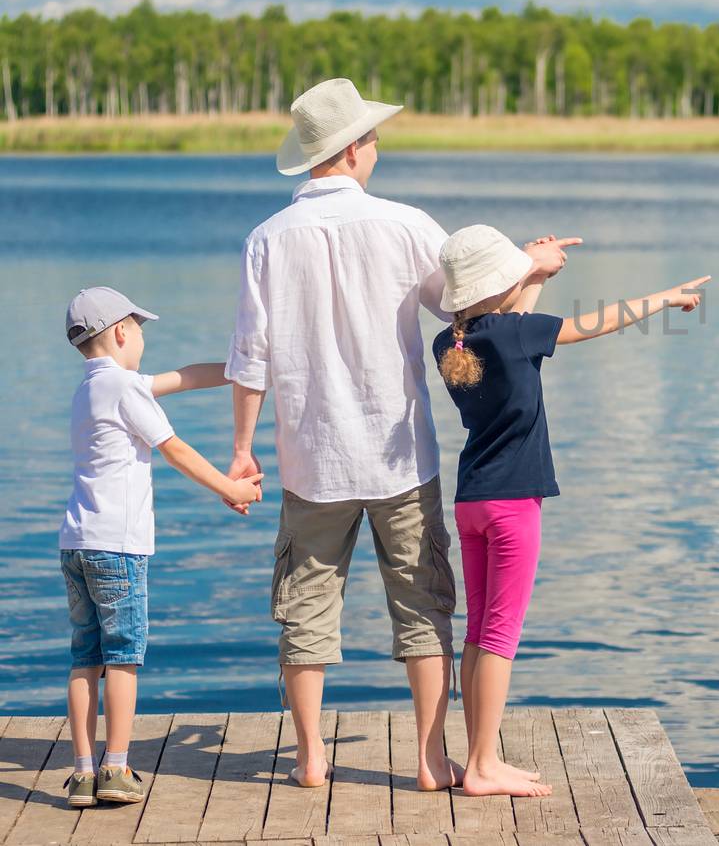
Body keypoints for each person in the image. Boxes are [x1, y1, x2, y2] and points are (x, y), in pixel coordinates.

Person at [223, 78, 570, 790]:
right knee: (423, 608)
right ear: (351, 151)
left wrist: (240, 449)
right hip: (399, 455)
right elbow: (469, 305)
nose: (377, 148)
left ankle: (312, 757)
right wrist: (531, 268)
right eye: (372, 139)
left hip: (309, 458)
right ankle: (429, 759)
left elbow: (249, 359)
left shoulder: (265, 240)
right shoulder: (406, 225)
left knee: (306, 608)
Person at [431, 224, 708, 797]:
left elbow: (508, 324)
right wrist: (666, 296)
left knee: (478, 632)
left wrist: (534, 270)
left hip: (472, 501)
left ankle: (481, 755)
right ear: (501, 284)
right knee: (501, 636)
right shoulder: (518, 335)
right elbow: (599, 321)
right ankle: (482, 766)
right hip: (513, 507)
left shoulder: (449, 343)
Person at [59, 287, 263, 809]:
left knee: (86, 658)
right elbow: (174, 449)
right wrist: (231, 487)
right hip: (118, 548)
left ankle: (83, 772)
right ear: (122, 332)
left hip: (77, 543)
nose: (144, 336)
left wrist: (248, 366)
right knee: (123, 659)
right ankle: (117, 767)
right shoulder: (126, 391)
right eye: (140, 326)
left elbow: (187, 376)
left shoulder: (91, 388)